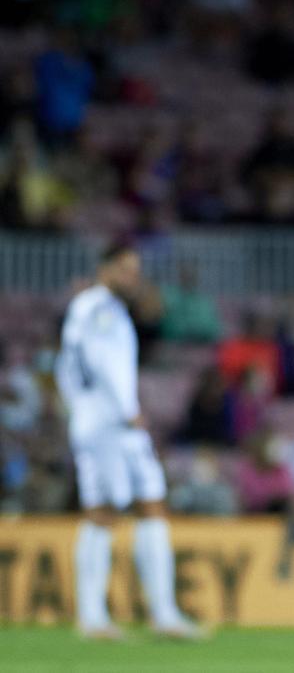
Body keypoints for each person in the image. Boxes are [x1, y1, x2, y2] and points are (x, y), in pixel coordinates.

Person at [55, 242, 202, 640]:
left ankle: (164, 613)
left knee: (153, 503)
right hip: (108, 423)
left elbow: (65, 367)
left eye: (136, 270)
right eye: (124, 269)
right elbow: (98, 362)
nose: (132, 277)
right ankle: (91, 617)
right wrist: (124, 408)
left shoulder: (102, 310)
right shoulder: (97, 306)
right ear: (104, 269)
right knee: (104, 511)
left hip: (115, 422)